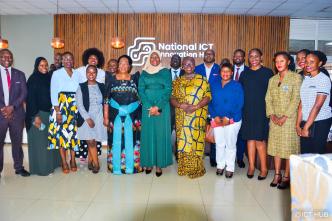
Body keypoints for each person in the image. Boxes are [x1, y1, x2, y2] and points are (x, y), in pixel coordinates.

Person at [266, 52, 302, 189]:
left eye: (282, 61)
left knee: (288, 149)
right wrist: (272, 115)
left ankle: (286, 176)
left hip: (290, 120)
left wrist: (285, 116)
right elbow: (267, 98)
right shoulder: (272, 79)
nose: (279, 64)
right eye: (277, 61)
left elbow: (296, 99)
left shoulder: (296, 78)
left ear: (288, 62)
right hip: (274, 119)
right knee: (275, 147)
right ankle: (277, 174)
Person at [171, 57, 211, 178]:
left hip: (198, 115)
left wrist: (197, 106)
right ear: (182, 66)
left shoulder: (203, 80)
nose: (188, 66)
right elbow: (172, 98)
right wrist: (180, 105)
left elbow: (208, 96)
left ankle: (197, 168)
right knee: (183, 142)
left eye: (190, 64)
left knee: (195, 142)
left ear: (194, 66)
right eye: (185, 64)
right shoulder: (177, 81)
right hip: (182, 116)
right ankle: (184, 167)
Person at [104, 55, 142, 175]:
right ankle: (115, 167)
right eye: (121, 63)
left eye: (126, 63)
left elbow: (140, 98)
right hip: (114, 115)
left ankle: (132, 167)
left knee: (132, 139)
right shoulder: (111, 79)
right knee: (115, 140)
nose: (123, 65)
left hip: (133, 115)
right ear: (118, 65)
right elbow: (106, 100)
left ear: (130, 66)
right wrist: (105, 117)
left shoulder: (135, 78)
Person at [239, 48, 274, 180]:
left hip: (262, 111)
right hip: (247, 111)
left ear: (261, 57)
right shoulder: (244, 74)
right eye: (251, 56)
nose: (253, 59)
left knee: (260, 140)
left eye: (256, 56)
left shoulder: (268, 73)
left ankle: (264, 168)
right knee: (249, 140)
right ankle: (252, 166)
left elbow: (272, 94)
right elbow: (241, 93)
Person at [138, 50, 172, 177]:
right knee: (148, 135)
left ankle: (159, 164)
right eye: (152, 56)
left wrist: (158, 107)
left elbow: (168, 90)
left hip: (162, 108)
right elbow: (140, 90)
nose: (154, 59)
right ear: (149, 59)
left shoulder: (165, 72)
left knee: (160, 135)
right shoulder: (144, 72)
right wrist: (149, 106)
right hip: (147, 108)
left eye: (156, 56)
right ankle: (148, 162)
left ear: (160, 59)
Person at [26, 57, 61, 176]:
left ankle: (53, 165)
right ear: (37, 66)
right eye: (41, 65)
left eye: (46, 65)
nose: (44, 67)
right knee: (41, 143)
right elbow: (30, 99)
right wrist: (35, 116)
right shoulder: (33, 79)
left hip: (50, 113)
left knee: (50, 141)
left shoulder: (49, 78)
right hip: (38, 114)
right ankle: (42, 169)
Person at [209, 62, 243, 178]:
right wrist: (215, 116)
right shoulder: (214, 84)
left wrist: (228, 118)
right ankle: (220, 165)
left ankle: (230, 167)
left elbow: (239, 103)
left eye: (228, 71)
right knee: (219, 144)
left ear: (232, 73)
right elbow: (210, 102)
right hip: (217, 119)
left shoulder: (236, 85)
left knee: (230, 144)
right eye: (223, 71)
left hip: (232, 120)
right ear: (220, 73)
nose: (225, 73)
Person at [48, 51, 80, 174]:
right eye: (65, 59)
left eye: (70, 59)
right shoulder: (56, 73)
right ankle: (64, 161)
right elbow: (53, 92)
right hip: (61, 106)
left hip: (74, 106)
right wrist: (58, 111)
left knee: (73, 135)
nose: (68, 61)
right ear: (62, 61)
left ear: (73, 61)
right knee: (61, 135)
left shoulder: (77, 73)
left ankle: (72, 160)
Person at [0, 49, 29, 177]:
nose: (7, 58)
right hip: (0, 114)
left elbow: (24, 93)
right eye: (4, 56)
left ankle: (19, 167)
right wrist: (4, 109)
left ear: (12, 59)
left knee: (17, 143)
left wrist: (12, 107)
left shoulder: (20, 74)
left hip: (17, 114)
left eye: (9, 56)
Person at [297, 51, 332, 154]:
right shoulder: (306, 79)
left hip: (320, 121)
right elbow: (301, 104)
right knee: (305, 153)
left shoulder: (323, 79)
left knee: (316, 154)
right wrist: (298, 125)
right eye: (306, 62)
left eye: (312, 62)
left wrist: (306, 127)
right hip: (306, 120)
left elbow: (317, 106)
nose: (308, 64)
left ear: (320, 63)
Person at [75, 48, 105, 164]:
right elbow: (79, 105)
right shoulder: (81, 86)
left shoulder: (101, 86)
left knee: (95, 140)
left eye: (93, 72)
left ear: (96, 74)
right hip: (86, 116)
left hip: (99, 116)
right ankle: (96, 164)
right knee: (90, 141)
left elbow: (104, 101)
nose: (91, 74)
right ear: (86, 73)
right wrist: (87, 118)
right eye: (89, 72)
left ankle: (90, 162)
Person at [195, 49, 221, 167]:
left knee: (214, 132)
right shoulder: (197, 68)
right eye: (206, 54)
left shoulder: (219, 69)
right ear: (203, 56)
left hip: (215, 106)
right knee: (199, 132)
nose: (208, 56)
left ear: (214, 56)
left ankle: (213, 158)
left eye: (211, 54)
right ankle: (199, 156)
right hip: (199, 105)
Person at [232, 49, 249, 168]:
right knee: (229, 135)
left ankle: (240, 158)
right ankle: (230, 158)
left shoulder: (249, 71)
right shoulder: (227, 70)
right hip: (227, 108)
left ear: (244, 58)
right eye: (236, 56)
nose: (238, 58)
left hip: (243, 108)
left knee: (241, 135)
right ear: (233, 57)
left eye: (240, 56)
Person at [169, 54, 184, 158]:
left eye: (177, 59)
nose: (175, 61)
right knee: (166, 132)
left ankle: (179, 153)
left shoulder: (185, 73)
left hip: (181, 107)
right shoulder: (164, 73)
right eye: (173, 59)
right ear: (170, 62)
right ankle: (166, 153)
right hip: (167, 108)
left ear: (181, 63)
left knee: (181, 132)